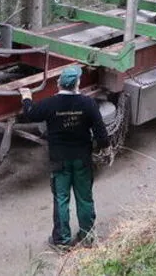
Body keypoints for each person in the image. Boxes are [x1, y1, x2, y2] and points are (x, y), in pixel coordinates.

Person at [19, 65, 109, 250]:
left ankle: (62, 240)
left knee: (61, 198)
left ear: (59, 83)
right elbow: (102, 136)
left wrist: (26, 97)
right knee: (84, 197)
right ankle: (87, 237)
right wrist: (102, 149)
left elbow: (29, 114)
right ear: (77, 83)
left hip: (59, 160)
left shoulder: (50, 104)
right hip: (82, 159)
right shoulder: (88, 104)